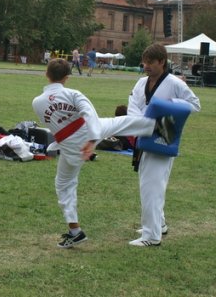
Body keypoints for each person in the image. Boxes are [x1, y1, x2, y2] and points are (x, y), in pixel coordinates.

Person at [32, 58, 176, 249]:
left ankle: (75, 231)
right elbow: (90, 115)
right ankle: (160, 125)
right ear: (67, 77)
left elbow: (55, 124)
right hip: (89, 133)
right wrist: (92, 139)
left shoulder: (37, 103)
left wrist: (77, 141)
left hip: (70, 147)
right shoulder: (73, 94)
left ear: (46, 74)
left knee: (64, 185)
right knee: (122, 122)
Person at [128, 43, 200, 247]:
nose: (146, 66)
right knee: (147, 181)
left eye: (151, 62)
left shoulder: (175, 83)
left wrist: (167, 107)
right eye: (144, 62)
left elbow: (195, 104)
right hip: (143, 133)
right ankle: (159, 224)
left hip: (163, 134)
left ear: (162, 62)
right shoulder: (141, 83)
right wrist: (137, 123)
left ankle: (152, 236)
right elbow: (133, 104)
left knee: (152, 186)